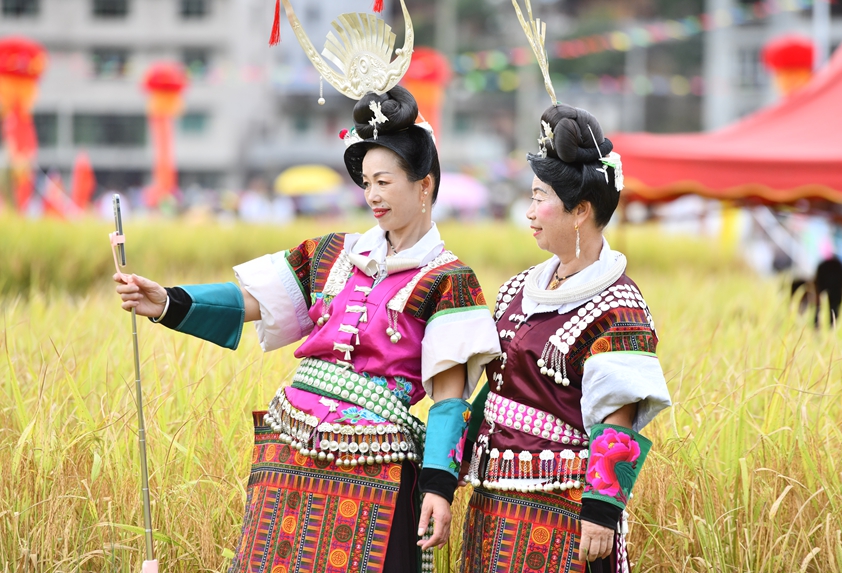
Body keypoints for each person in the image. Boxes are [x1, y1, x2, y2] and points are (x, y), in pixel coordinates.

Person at [115, 86, 501, 573]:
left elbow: (449, 399)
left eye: (384, 181)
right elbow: (252, 302)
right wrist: (168, 302)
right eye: (366, 182)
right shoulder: (332, 253)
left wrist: (440, 487)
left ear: (424, 184)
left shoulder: (449, 280)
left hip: (375, 464)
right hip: (291, 450)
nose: (373, 195)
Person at [459, 104, 672, 572]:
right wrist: (446, 466)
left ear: (580, 210)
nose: (530, 212)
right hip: (493, 502)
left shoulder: (619, 307)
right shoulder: (519, 289)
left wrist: (601, 509)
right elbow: (492, 393)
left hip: (562, 511)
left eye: (540, 198)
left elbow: (619, 412)